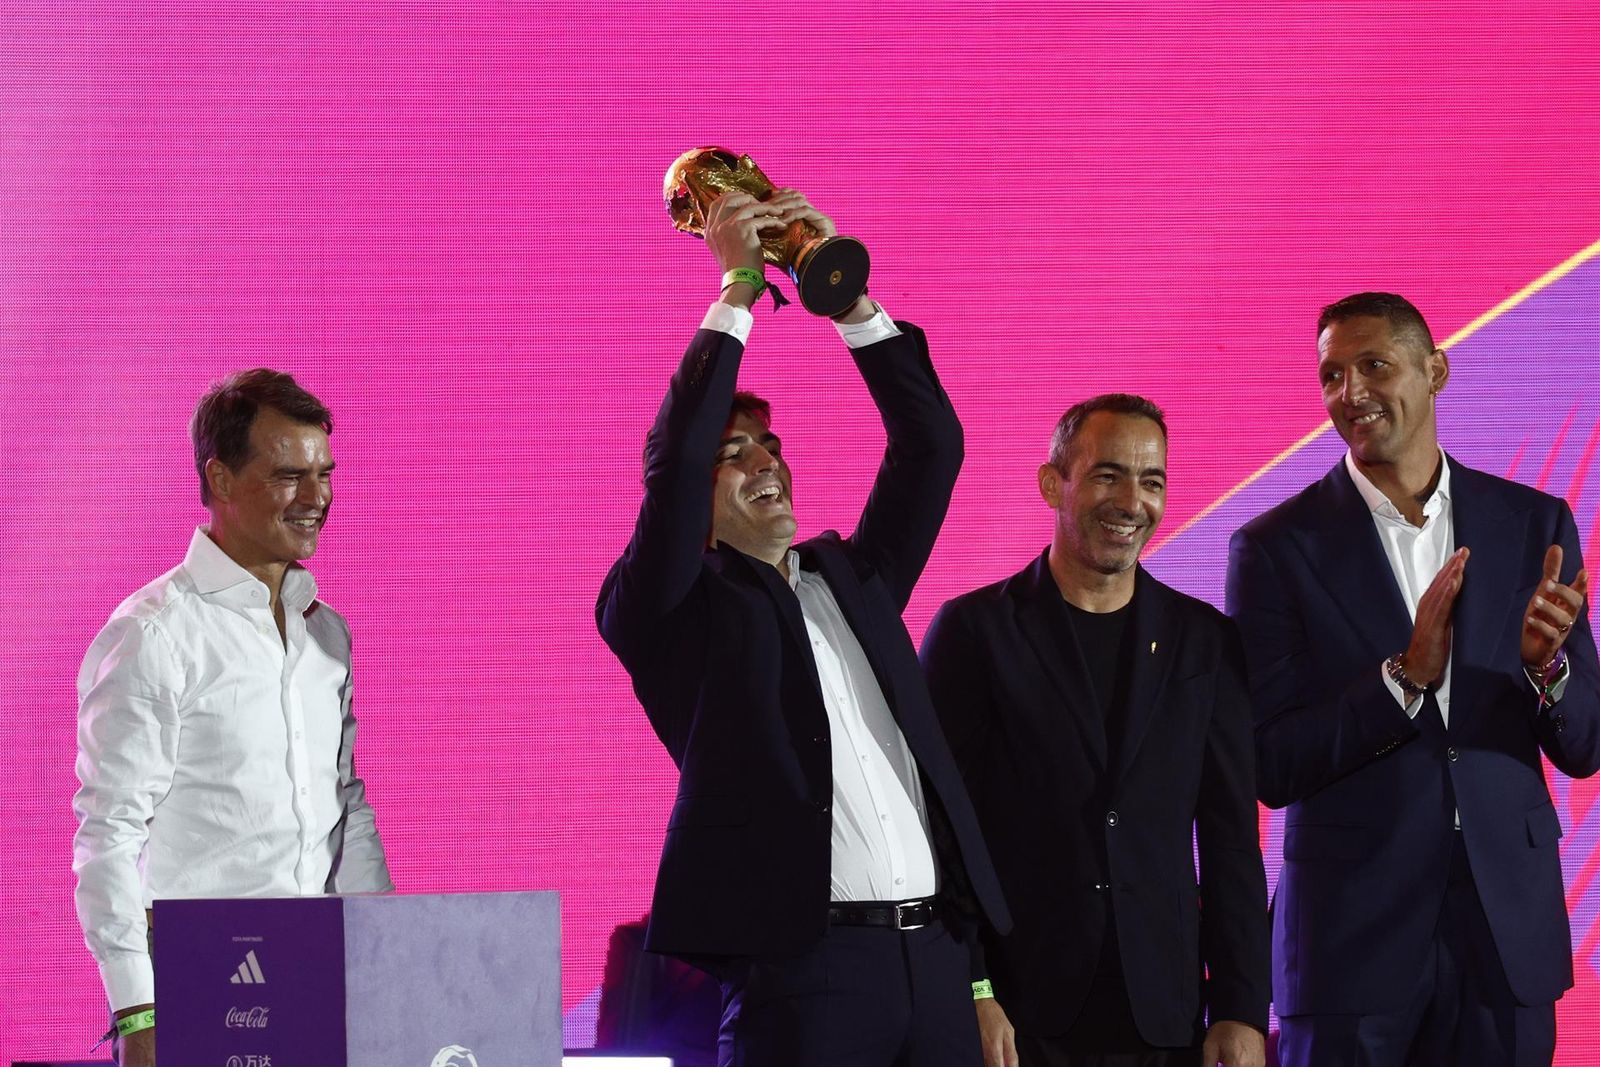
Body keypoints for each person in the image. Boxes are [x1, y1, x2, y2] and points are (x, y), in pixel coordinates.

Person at [595, 188, 1009, 1067]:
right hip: (807, 974)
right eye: (733, 455)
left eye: (770, 446)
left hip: (936, 962)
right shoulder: (668, 609)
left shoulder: (854, 579)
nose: (765, 462)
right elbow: (675, 462)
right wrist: (739, 287)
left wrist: (844, 298)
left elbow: (932, 443)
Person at [1226, 292, 1598, 1066]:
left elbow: (1586, 743)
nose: (1351, 391)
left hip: (1505, 936)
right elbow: (1271, 761)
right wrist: (1401, 681)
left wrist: (1547, 667)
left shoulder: (1534, 523)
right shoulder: (1276, 547)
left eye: (1374, 365)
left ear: (1436, 370)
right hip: (1350, 941)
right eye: (1331, 375)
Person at [921, 395, 1269, 1067]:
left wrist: (1240, 1005)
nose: (1132, 501)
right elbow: (938, 830)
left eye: (1151, 480)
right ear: (1054, 484)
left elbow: (1230, 840)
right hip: (1019, 1016)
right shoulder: (974, 632)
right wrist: (971, 985)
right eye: (1108, 475)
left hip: (1164, 1017)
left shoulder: (1206, 642)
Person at [73, 369, 393, 1066]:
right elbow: (109, 836)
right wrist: (138, 1012)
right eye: (288, 476)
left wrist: (388, 960)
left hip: (317, 984)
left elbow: (346, 808)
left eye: (324, 474)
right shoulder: (154, 634)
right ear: (220, 478)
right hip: (202, 990)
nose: (316, 498)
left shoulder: (326, 633)